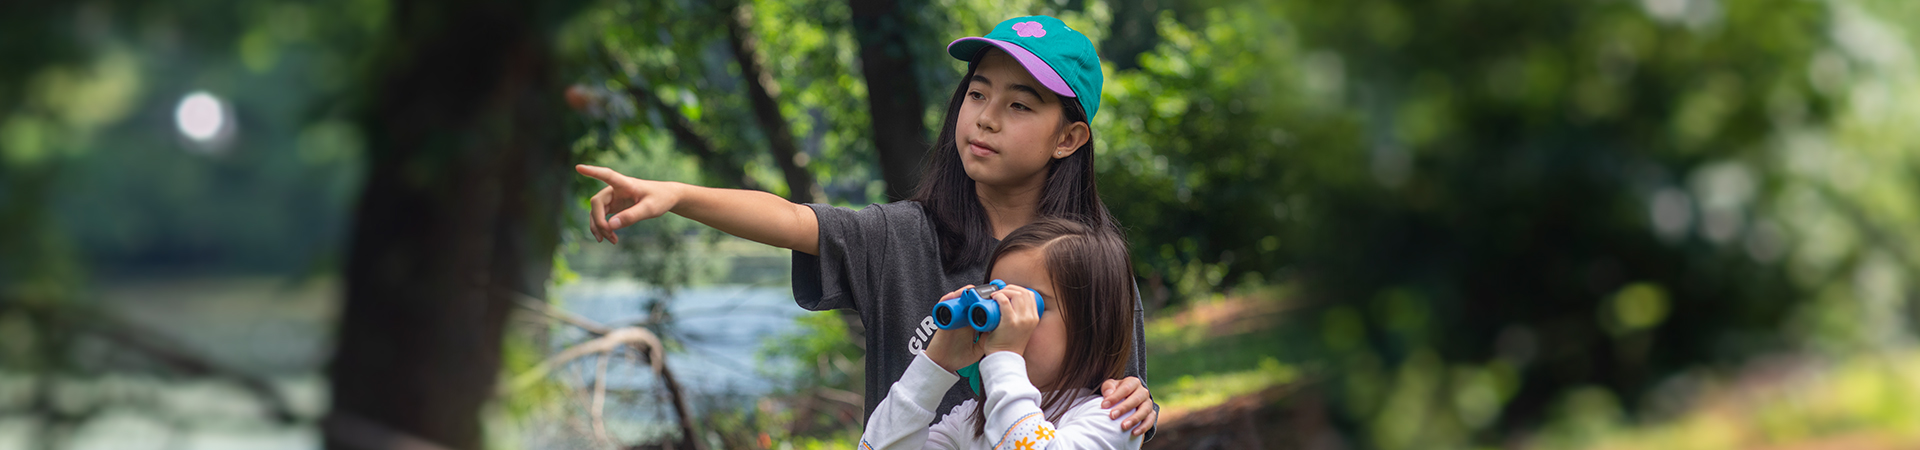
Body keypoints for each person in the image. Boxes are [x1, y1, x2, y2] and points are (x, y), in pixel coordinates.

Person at [574, 14, 1158, 434]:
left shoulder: (1095, 265)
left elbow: (1113, 403)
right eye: (977, 94)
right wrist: (676, 193)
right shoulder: (901, 237)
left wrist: (1139, 404)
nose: (986, 119)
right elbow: (790, 219)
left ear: (1069, 138)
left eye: (1020, 105)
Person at [860, 218, 1141, 449]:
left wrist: (1005, 355)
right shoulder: (970, 421)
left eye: (1031, 304)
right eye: (997, 300)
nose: (1006, 320)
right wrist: (934, 365)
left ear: (1093, 324)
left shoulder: (1115, 417)